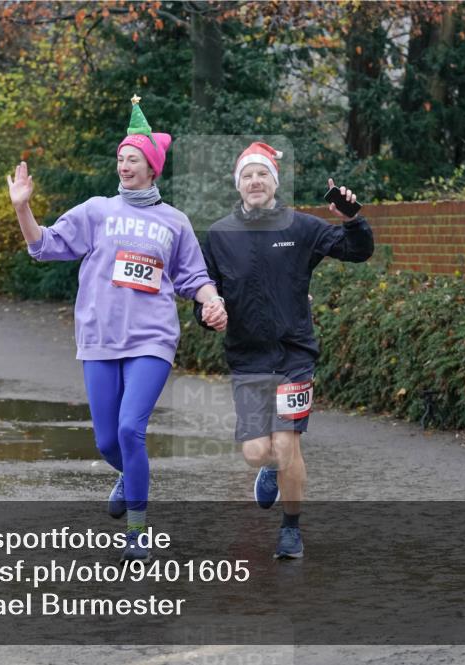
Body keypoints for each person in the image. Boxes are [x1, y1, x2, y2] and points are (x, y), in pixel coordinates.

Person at [9, 96, 226, 562]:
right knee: (107, 441)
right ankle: (132, 476)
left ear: (152, 168)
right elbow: (45, 246)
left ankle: (137, 530)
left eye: (133, 159)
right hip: (100, 338)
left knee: (130, 429)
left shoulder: (174, 222)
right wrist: (22, 210)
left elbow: (194, 279)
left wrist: (213, 302)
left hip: (152, 340)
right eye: (120, 159)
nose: (123, 165)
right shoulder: (96, 211)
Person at [195, 142, 373, 559]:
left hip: (293, 355)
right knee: (258, 451)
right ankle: (270, 470)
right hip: (247, 357)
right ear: (237, 185)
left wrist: (352, 220)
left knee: (288, 444)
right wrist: (209, 315)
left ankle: (291, 529)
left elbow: (357, 251)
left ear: (274, 182)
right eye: (247, 176)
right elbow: (205, 295)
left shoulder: (300, 227)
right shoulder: (220, 234)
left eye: (262, 175)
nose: (255, 181)